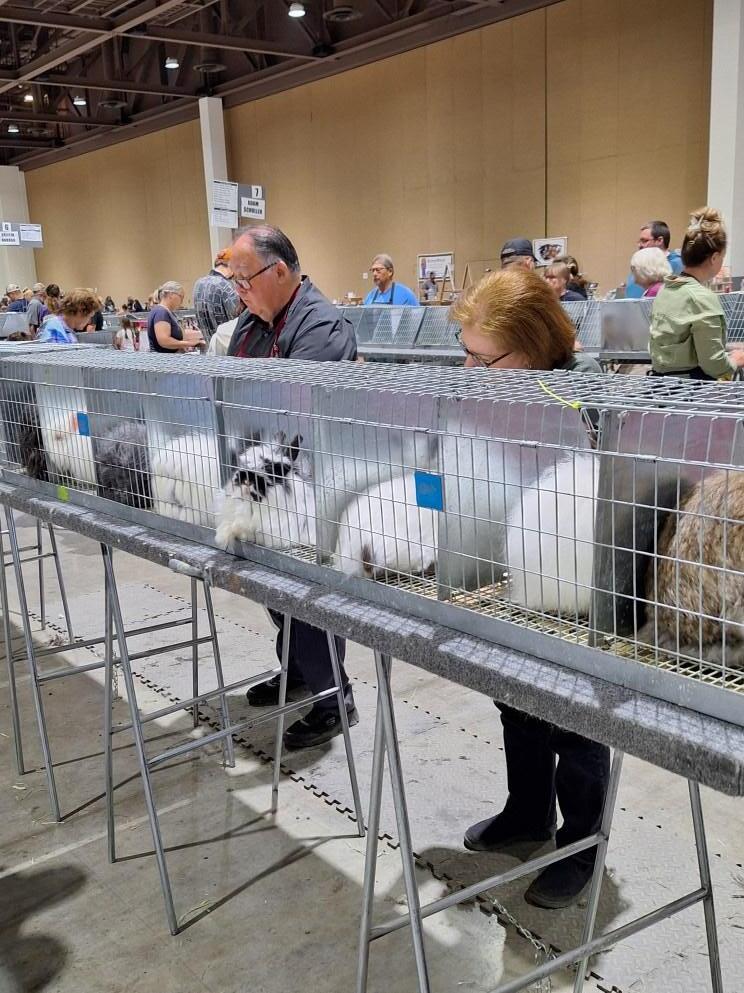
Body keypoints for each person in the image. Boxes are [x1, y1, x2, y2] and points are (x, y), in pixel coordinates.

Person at [450, 269, 608, 911]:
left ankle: (582, 844)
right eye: (465, 354)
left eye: (482, 358)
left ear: (532, 346)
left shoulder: (583, 397)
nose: (471, 369)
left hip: (579, 582)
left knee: (575, 715)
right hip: (512, 571)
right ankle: (528, 810)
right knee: (514, 694)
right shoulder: (502, 392)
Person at [227, 224, 358, 750]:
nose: (239, 290)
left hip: (310, 484)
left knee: (307, 597)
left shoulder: (321, 325)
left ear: (279, 270)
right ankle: (300, 672)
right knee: (276, 591)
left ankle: (334, 700)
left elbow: (292, 407)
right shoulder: (251, 322)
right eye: (233, 281)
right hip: (264, 475)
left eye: (245, 279)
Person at [649, 207, 744, 379]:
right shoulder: (702, 298)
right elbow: (714, 365)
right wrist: (736, 360)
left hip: (660, 385)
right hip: (692, 388)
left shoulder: (666, 290)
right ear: (714, 258)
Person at [193, 248, 243, 341]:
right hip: (227, 344)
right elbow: (238, 320)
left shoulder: (198, 284)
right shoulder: (225, 286)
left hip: (209, 345)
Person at [626, 220, 683, 298]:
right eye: (639, 241)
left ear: (659, 240)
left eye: (644, 241)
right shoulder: (641, 264)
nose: (640, 245)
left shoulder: (677, 264)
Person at [147, 281, 204, 353]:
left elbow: (180, 334)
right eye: (181, 297)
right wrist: (190, 344)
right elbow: (164, 341)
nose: (182, 301)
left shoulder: (167, 312)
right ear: (171, 295)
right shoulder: (161, 312)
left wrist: (201, 335)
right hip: (163, 358)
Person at [36, 288, 102, 344]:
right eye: (89, 317)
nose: (89, 321)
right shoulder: (54, 331)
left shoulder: (65, 328)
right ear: (80, 311)